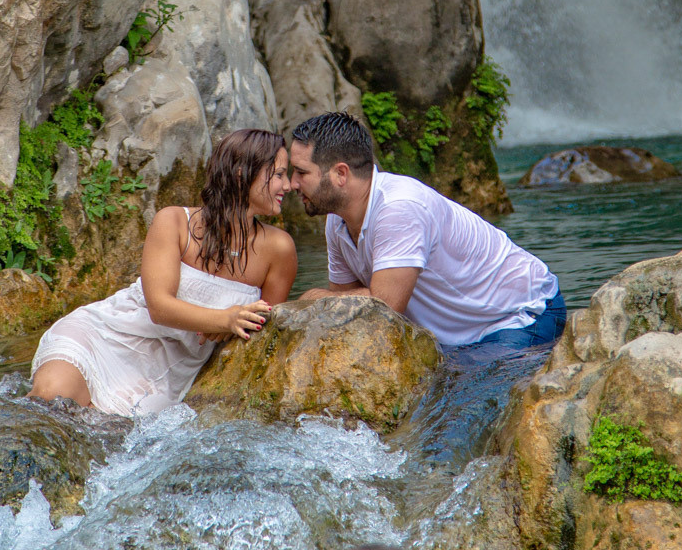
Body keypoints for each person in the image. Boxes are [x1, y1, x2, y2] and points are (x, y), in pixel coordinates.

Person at [29, 129, 297, 416]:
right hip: (108, 334)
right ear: (243, 173)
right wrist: (225, 319)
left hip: (172, 370)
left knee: (100, 430)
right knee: (50, 398)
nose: (289, 185)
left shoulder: (279, 249)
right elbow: (159, 307)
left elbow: (263, 331)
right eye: (279, 174)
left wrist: (233, 326)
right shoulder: (174, 221)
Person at [289, 111, 565, 349]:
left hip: (519, 314)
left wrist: (311, 297)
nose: (291, 183)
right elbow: (346, 309)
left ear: (340, 174)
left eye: (301, 172)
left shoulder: (399, 207)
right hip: (459, 335)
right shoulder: (336, 220)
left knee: (475, 402)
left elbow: (383, 307)